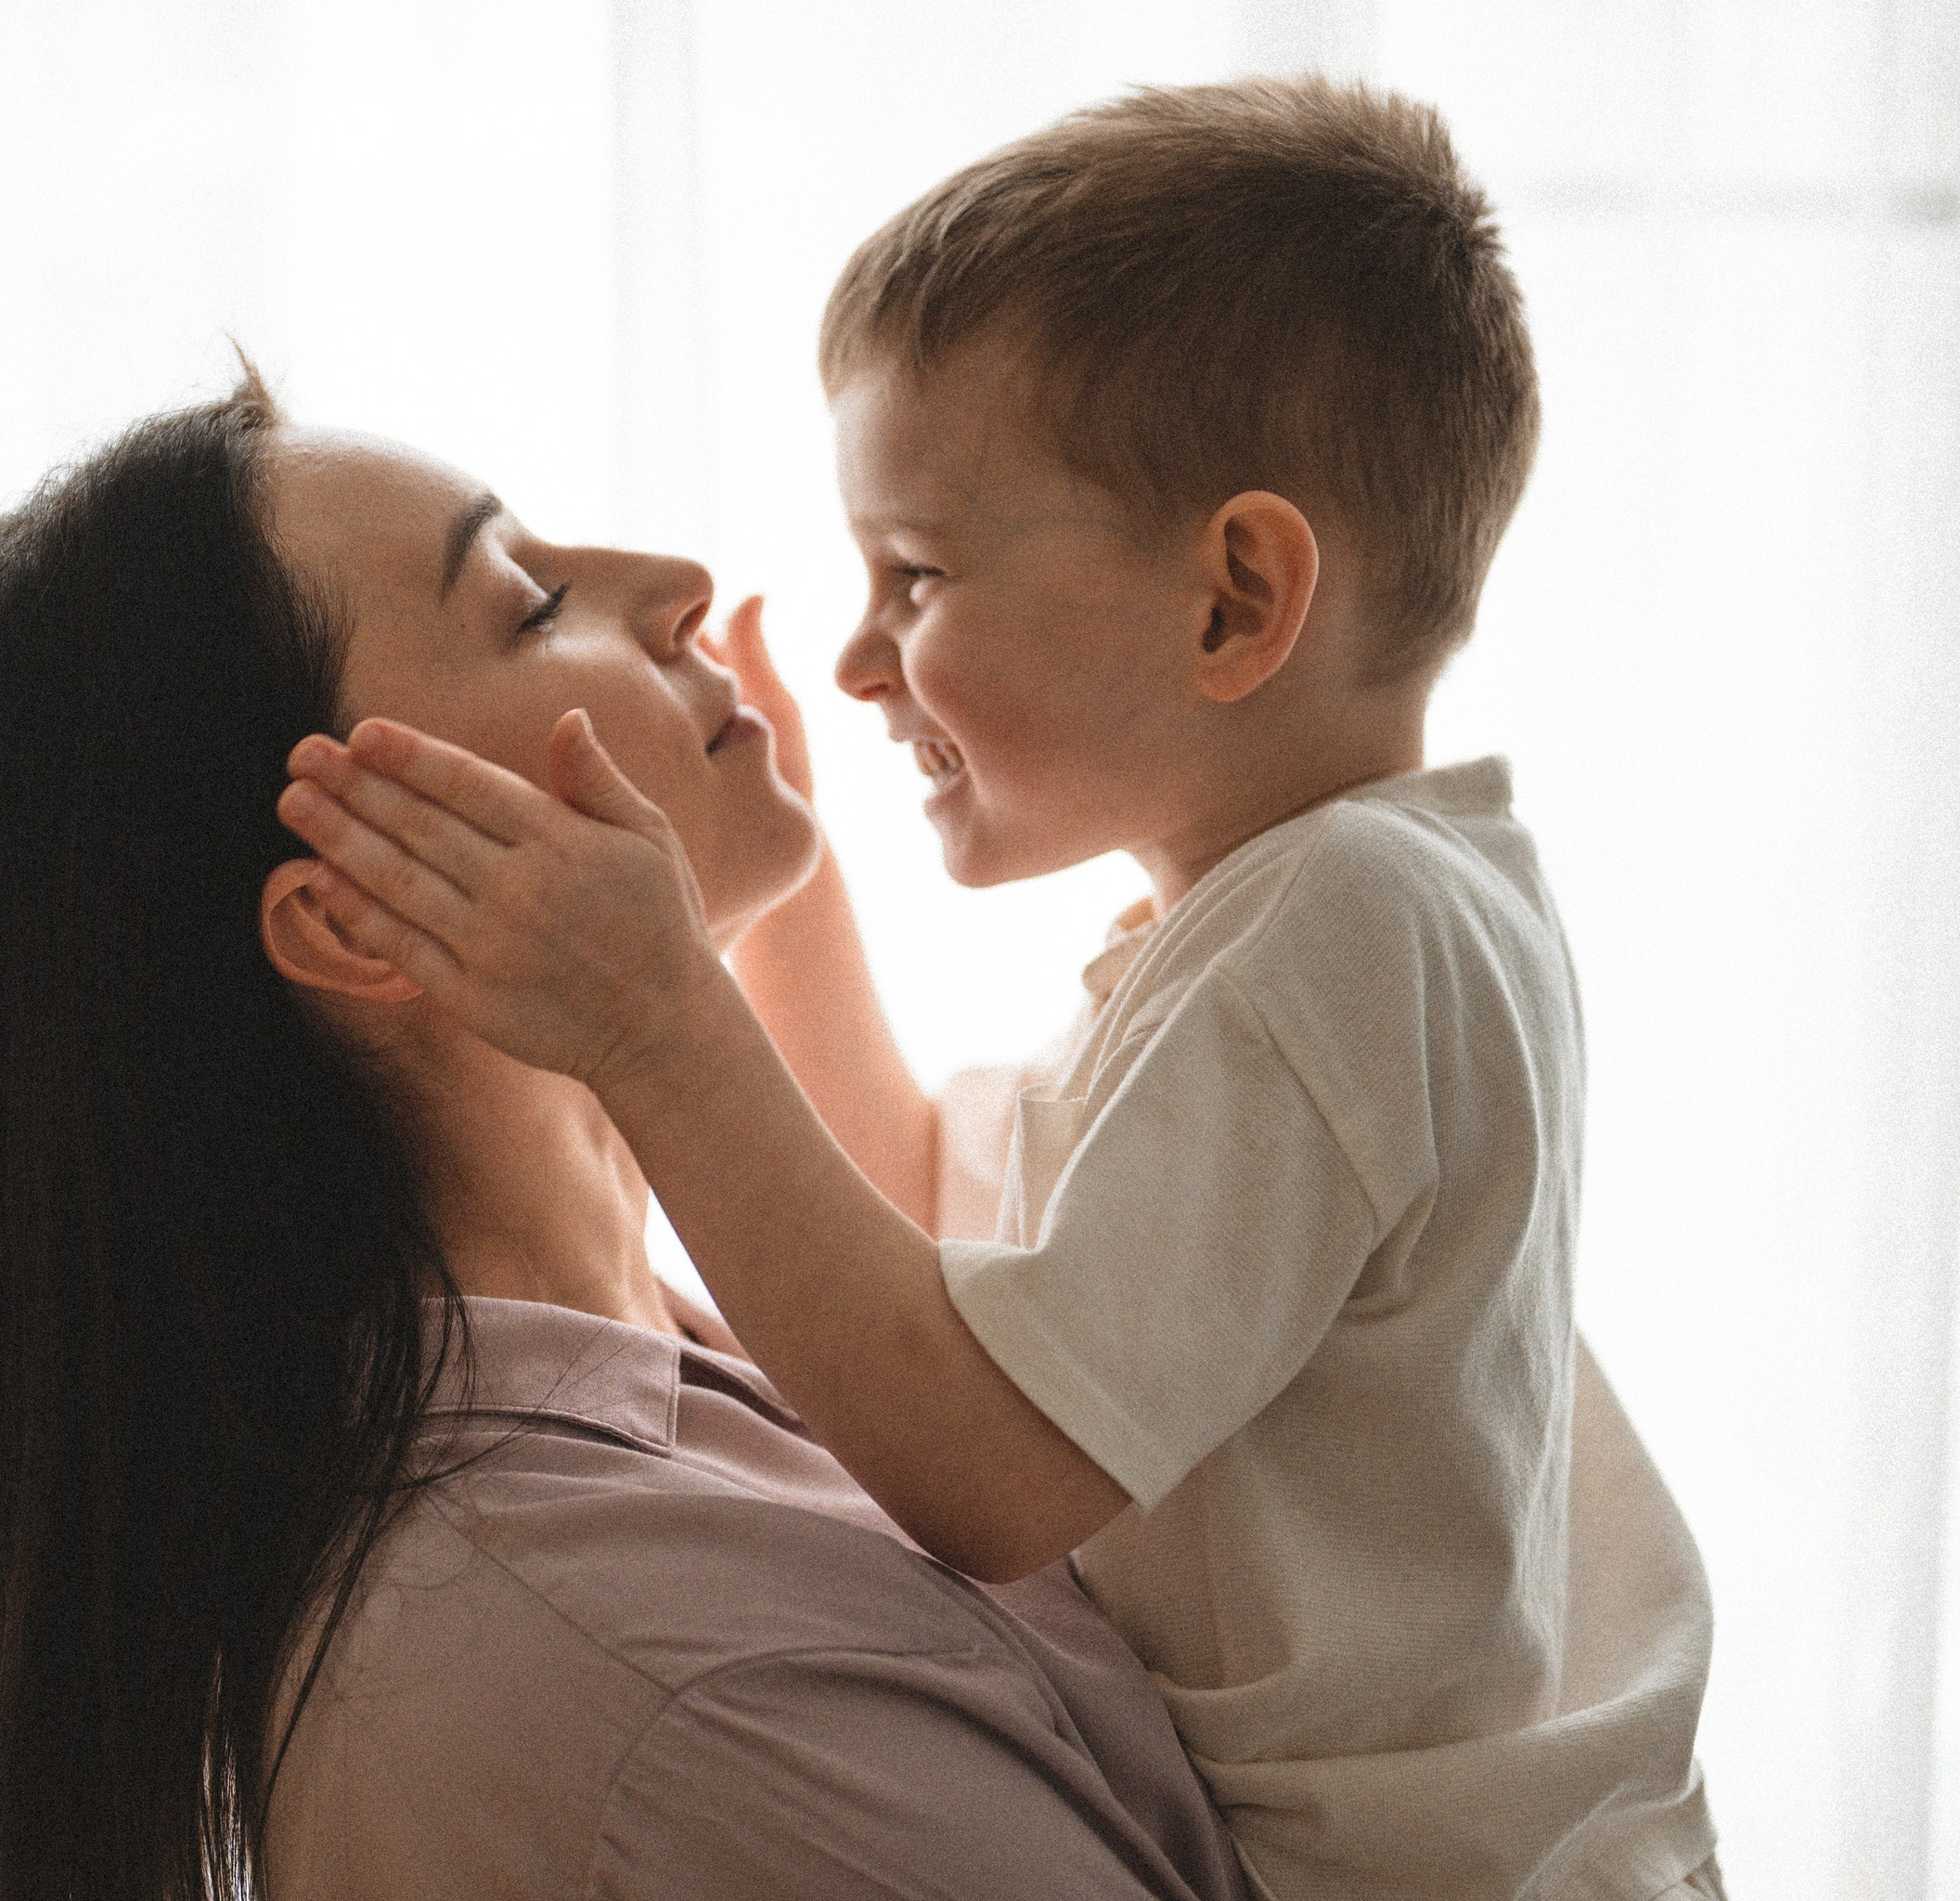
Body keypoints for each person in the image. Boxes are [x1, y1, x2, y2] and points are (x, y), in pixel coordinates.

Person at [275, 80, 1723, 1901]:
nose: (862, 653)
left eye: (920, 575)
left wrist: (660, 1017)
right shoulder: (1324, 922)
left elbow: (984, 1462)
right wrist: (778, 902)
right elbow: (918, 1229)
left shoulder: (1333, 946)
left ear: (1234, 601)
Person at [0, 370, 1249, 1901]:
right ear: (357, 919)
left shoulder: (708, 1392)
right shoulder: (653, 1693)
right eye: (525, 602)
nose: (683, 590)